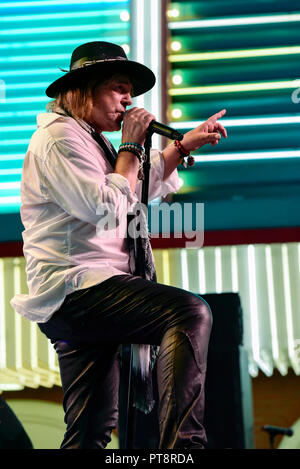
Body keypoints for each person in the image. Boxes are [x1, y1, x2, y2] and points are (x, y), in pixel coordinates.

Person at [11, 41, 227, 449]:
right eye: (119, 88)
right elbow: (104, 205)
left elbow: (135, 186)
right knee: (189, 312)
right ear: (84, 89)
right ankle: (184, 450)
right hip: (78, 287)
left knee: (91, 428)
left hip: (87, 290)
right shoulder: (59, 139)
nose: (129, 99)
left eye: (130, 91)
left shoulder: (90, 137)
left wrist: (182, 146)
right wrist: (130, 145)